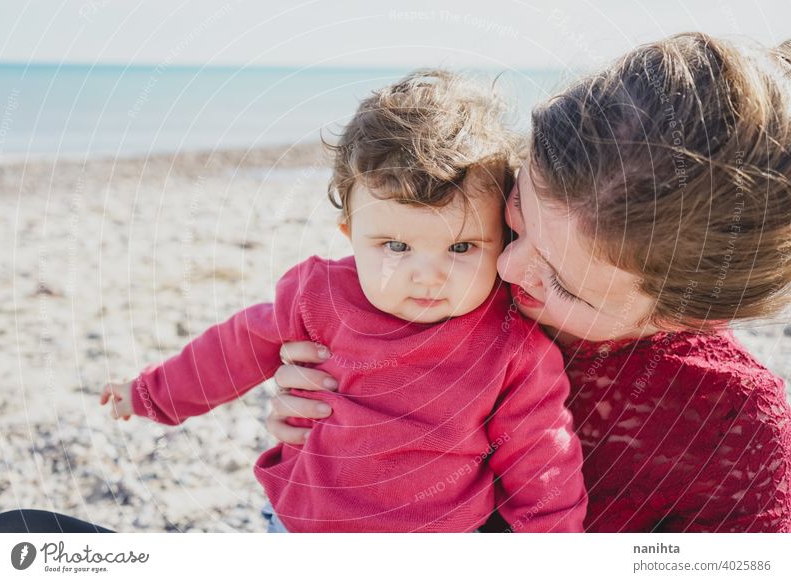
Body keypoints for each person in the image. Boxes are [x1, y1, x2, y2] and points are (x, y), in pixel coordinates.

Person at [266, 33, 791, 532]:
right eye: (514, 220)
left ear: (687, 316)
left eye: (562, 282)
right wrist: (329, 415)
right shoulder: (456, 269)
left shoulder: (736, 431)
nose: (508, 269)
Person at [99, 71, 587, 533]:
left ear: (500, 236)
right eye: (395, 246)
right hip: (303, 525)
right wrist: (150, 394)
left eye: (461, 247)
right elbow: (232, 349)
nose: (428, 274)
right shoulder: (319, 298)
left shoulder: (511, 347)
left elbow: (543, 462)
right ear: (351, 235)